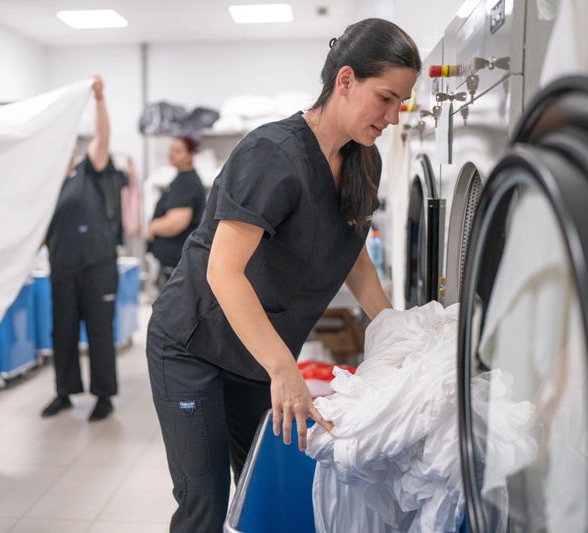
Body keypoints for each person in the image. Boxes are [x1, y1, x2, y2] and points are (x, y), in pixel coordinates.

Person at [146, 18, 421, 532]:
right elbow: (224, 271)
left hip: (254, 353)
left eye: (401, 102)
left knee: (272, 486)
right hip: (193, 344)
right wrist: (283, 370)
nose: (393, 115)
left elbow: (353, 253)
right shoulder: (272, 155)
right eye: (385, 98)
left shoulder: (364, 161)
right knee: (204, 502)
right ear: (344, 80)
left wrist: (397, 330)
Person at [41, 75, 124, 422]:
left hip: (97, 266)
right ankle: (64, 391)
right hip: (62, 268)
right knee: (62, 331)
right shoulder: (45, 190)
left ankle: (103, 396)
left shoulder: (90, 171)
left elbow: (103, 136)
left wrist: (99, 100)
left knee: (99, 332)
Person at [147, 136, 206, 290]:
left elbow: (176, 222)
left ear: (190, 154)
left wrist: (153, 227)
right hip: (173, 262)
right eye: (171, 149)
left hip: (176, 262)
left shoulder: (186, 183)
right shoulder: (182, 179)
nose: (171, 154)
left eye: (178, 150)